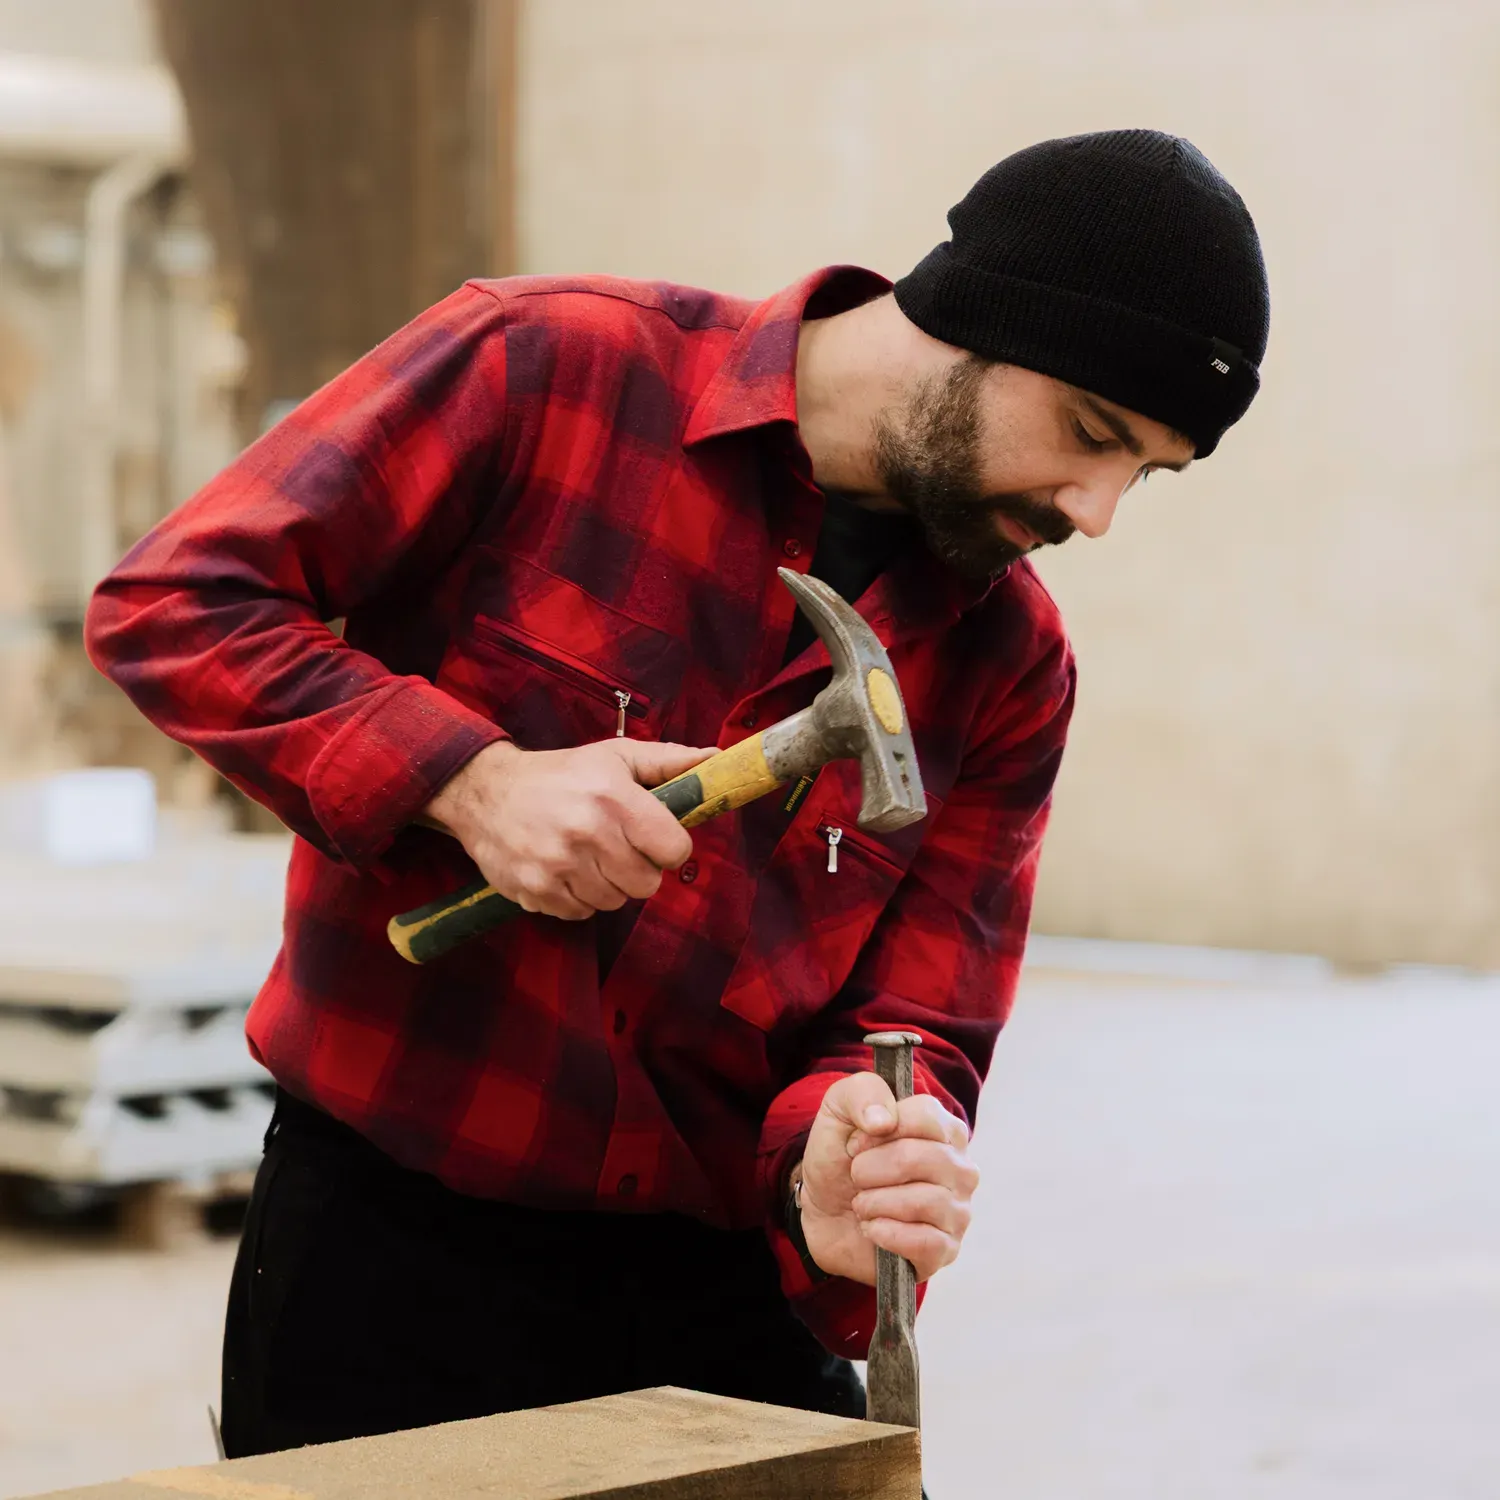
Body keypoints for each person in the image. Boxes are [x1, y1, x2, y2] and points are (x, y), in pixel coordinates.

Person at [86, 129, 1268, 1462]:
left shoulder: (1013, 663)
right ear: (974, 319)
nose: (1097, 510)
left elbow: (919, 1020)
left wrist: (845, 1156)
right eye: (1093, 434)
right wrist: (471, 782)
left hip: (732, 1299)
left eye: (1145, 472)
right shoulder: (547, 370)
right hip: (389, 1263)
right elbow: (178, 603)